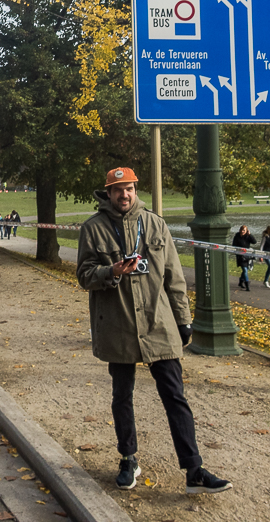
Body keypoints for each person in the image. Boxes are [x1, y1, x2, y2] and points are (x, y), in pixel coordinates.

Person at [77, 168, 231, 494]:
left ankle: (194, 470)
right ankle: (128, 458)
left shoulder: (155, 224)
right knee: (122, 396)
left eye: (129, 189)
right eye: (118, 190)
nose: (125, 195)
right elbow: (84, 275)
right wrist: (111, 271)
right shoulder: (93, 229)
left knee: (175, 396)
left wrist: (184, 320)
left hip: (158, 324)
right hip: (117, 325)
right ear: (108, 193)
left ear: (136, 190)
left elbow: (174, 277)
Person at [231, 225, 256, 291]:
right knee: (245, 269)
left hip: (247, 256)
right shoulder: (237, 236)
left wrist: (250, 235)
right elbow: (233, 245)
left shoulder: (248, 236)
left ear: (246, 231)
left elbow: (254, 242)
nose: (242, 232)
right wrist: (238, 252)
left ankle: (241, 281)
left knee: (246, 269)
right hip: (240, 256)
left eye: (244, 230)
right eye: (242, 230)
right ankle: (247, 285)